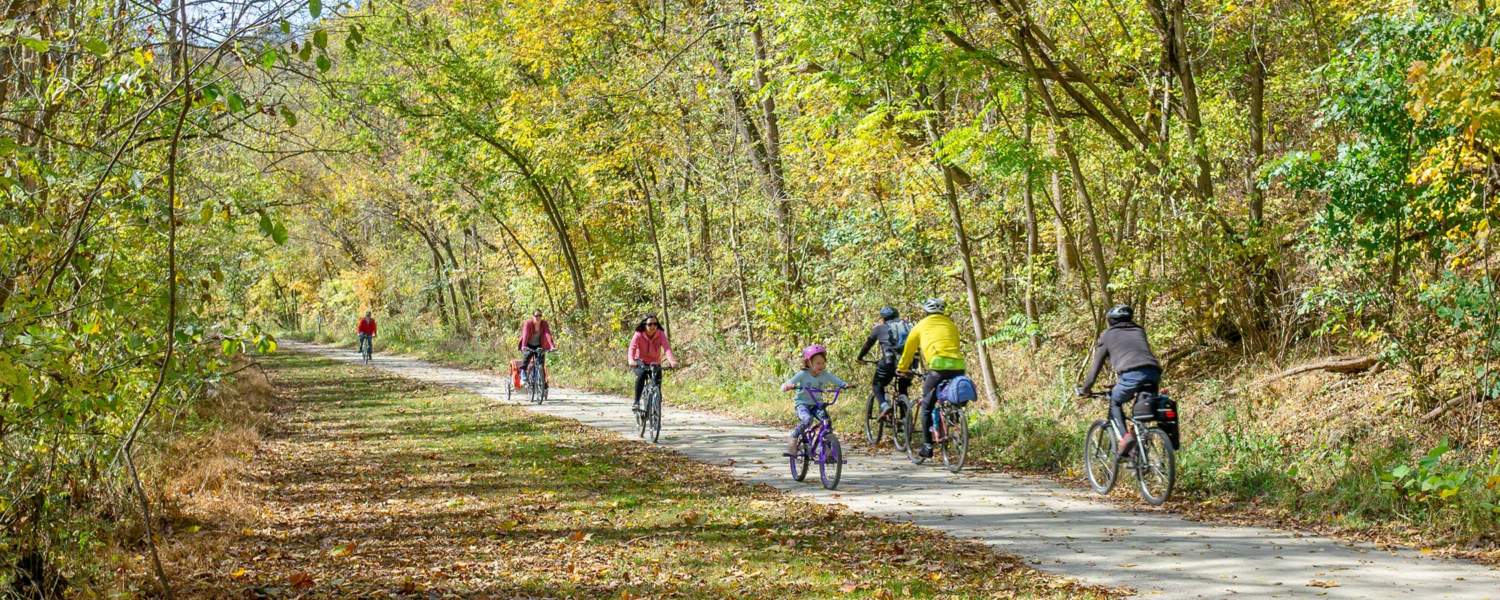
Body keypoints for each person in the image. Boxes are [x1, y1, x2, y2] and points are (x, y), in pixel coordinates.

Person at [1077, 304, 1162, 456]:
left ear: (1110, 321)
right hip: (1153, 373)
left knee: (1115, 402)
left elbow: (1096, 366)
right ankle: (1141, 454)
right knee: (1140, 415)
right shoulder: (1139, 330)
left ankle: (1125, 439)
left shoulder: (1108, 335)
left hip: (1130, 376)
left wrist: (1086, 389)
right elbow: (1135, 356)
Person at [896, 298, 966, 459]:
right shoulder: (951, 324)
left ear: (925, 312)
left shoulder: (920, 326)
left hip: (938, 367)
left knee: (927, 405)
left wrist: (902, 368)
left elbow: (908, 351)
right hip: (959, 367)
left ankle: (928, 446)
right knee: (949, 398)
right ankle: (953, 418)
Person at [781, 344, 847, 457]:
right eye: (818, 363)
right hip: (803, 404)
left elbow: (836, 380)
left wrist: (844, 385)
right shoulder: (803, 374)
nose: (821, 365)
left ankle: (826, 448)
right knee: (807, 420)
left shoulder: (825, 374)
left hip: (817, 405)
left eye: (823, 362)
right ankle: (794, 437)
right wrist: (787, 386)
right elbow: (788, 382)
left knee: (826, 421)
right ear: (808, 363)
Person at [856, 306, 913, 418]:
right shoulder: (907, 326)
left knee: (877, 385)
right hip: (907, 363)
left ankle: (884, 405)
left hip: (888, 363)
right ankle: (905, 421)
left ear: (882, 318)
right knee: (903, 389)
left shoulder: (879, 328)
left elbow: (867, 345)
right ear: (897, 316)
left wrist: (860, 357)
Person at [627, 313, 677, 411]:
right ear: (644, 325)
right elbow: (632, 348)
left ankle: (656, 400)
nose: (653, 326)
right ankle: (636, 402)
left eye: (655, 324)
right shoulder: (638, 334)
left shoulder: (660, 334)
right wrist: (631, 360)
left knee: (657, 382)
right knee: (641, 375)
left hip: (655, 362)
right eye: (650, 324)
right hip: (640, 361)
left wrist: (672, 361)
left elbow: (667, 348)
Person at [517, 310, 556, 385]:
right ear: (533, 316)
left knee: (540, 363)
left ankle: (541, 381)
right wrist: (523, 346)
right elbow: (525, 335)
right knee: (527, 356)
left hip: (539, 345)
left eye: (540, 315)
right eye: (536, 315)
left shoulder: (544, 324)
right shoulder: (528, 323)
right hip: (528, 344)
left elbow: (547, 334)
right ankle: (523, 372)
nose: (538, 317)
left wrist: (552, 346)